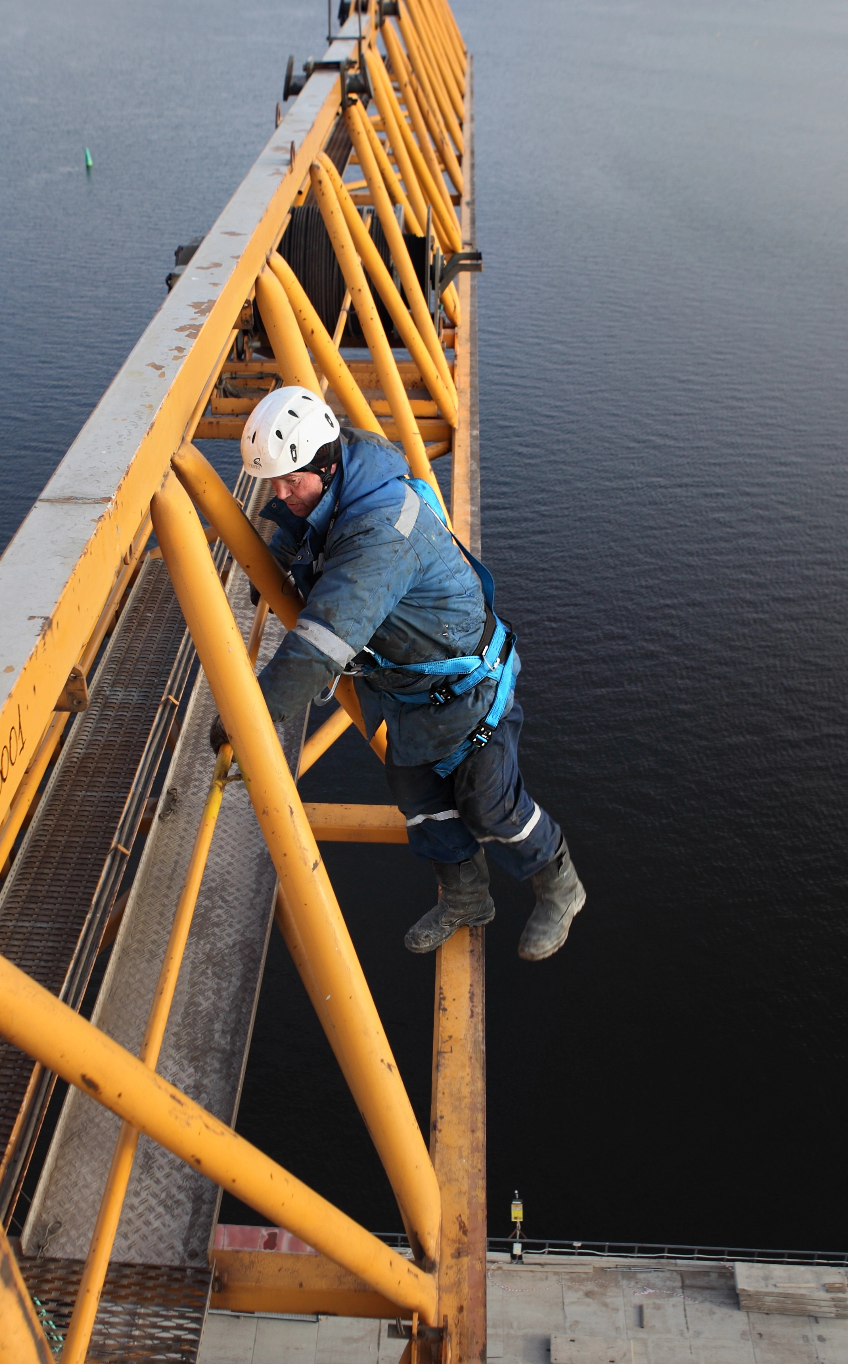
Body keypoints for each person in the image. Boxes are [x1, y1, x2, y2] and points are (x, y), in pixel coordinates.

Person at [208, 385, 585, 958]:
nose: (281, 495)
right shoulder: (335, 481)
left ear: (325, 463)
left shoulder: (378, 532)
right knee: (421, 800)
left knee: (490, 803)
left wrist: (247, 718)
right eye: (274, 483)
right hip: (411, 694)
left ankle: (560, 884)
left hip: (468, 690)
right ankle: (466, 898)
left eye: (290, 482)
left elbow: (319, 645)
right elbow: (294, 535)